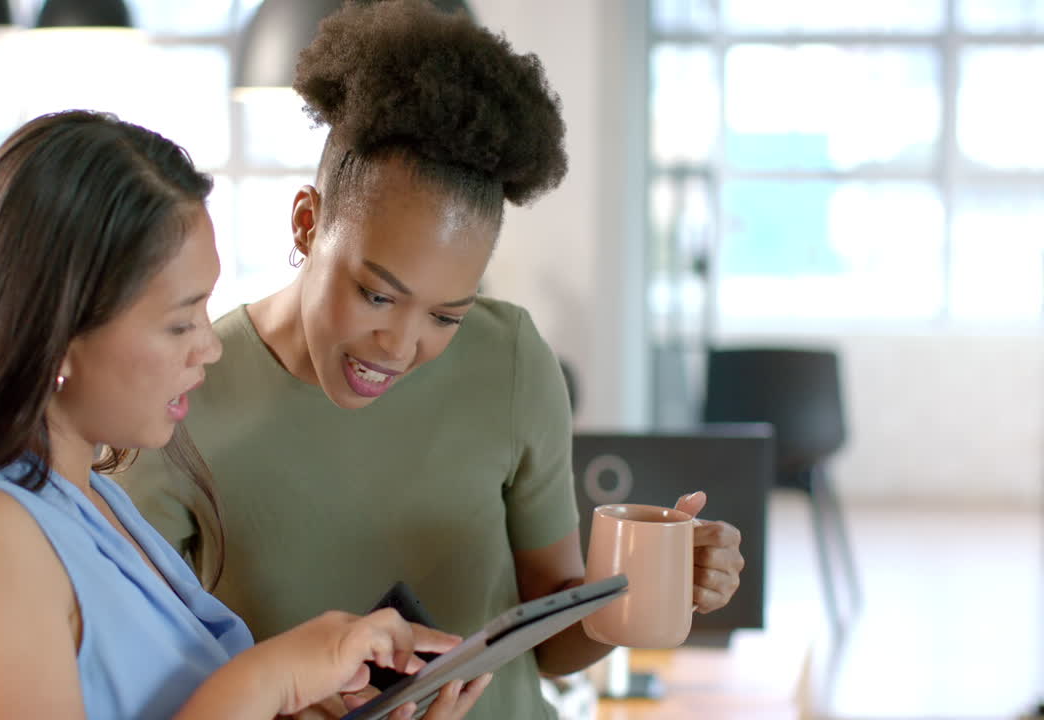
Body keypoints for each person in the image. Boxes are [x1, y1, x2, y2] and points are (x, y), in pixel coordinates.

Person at [120, 2, 745, 719]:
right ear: (307, 223)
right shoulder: (183, 393)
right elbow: (146, 681)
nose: (399, 346)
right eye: (377, 295)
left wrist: (650, 588)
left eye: (447, 315)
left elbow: (551, 640)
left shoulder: (509, 360)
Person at [0, 110, 490, 720]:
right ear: (59, 333)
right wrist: (267, 679)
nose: (209, 346)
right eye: (180, 322)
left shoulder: (95, 503)